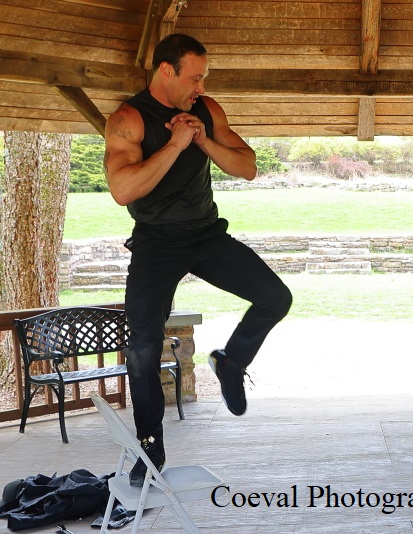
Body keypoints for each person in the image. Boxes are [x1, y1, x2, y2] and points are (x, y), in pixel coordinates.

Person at [104, 33, 292, 487]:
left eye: (204, 77)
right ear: (166, 70)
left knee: (275, 298)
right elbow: (123, 191)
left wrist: (203, 139)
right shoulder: (128, 119)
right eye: (195, 77)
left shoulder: (207, 110)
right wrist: (173, 146)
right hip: (156, 243)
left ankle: (230, 363)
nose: (201, 86)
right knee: (143, 346)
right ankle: (150, 449)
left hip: (207, 234)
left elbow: (247, 167)